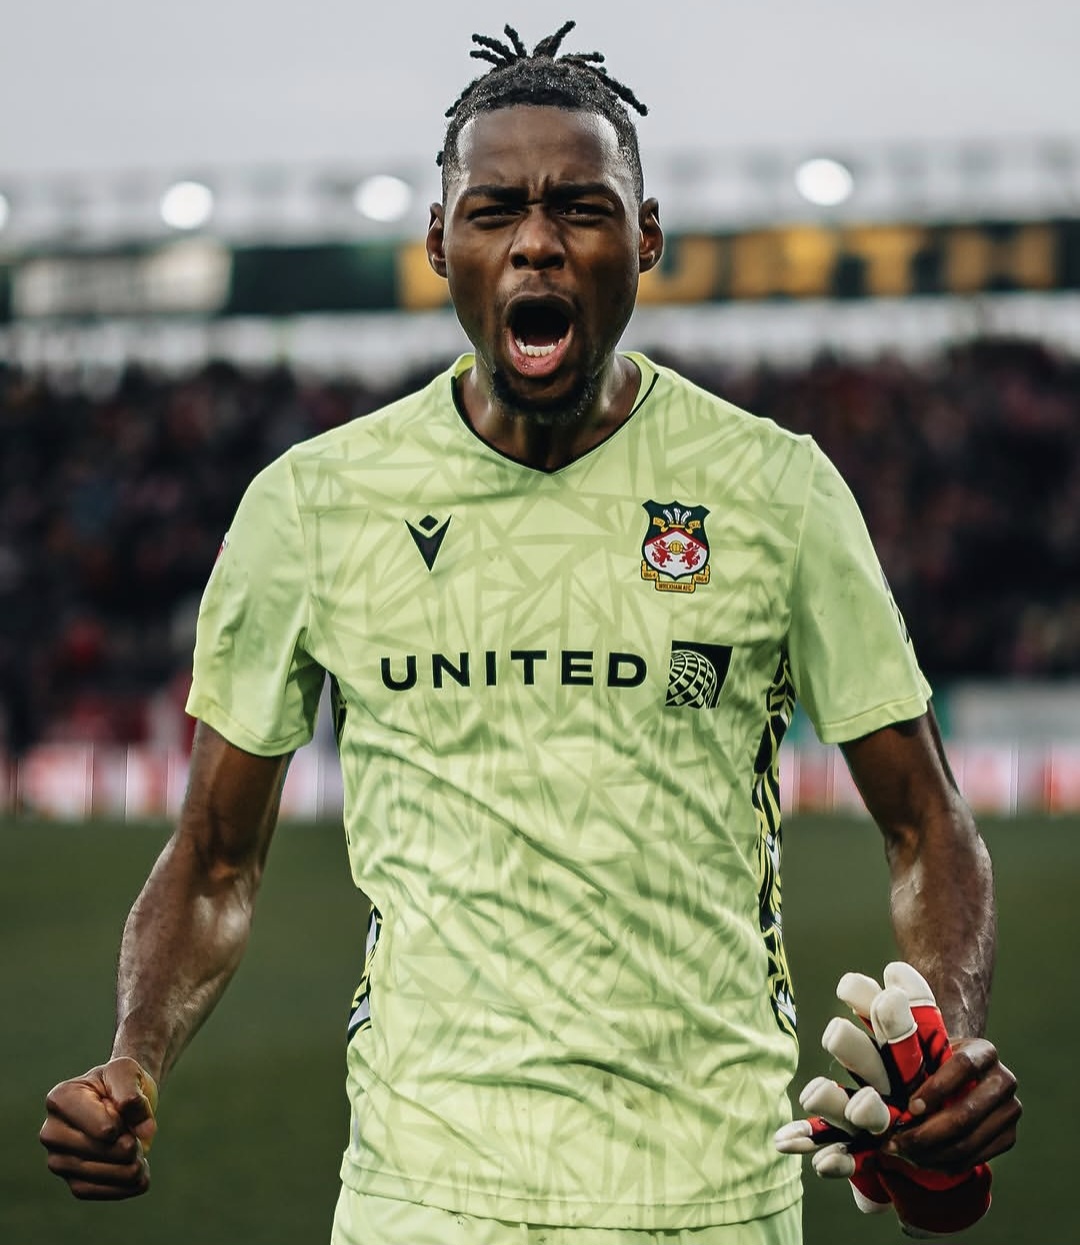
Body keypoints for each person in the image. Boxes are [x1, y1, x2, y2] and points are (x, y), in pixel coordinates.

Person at [40, 20, 1020, 1244]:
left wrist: (950, 1046)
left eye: (582, 208)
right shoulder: (313, 505)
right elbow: (213, 862)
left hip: (711, 1198)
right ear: (439, 242)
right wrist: (134, 1057)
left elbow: (928, 825)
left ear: (646, 238)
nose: (537, 240)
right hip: (418, 1200)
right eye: (495, 209)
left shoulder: (778, 490)